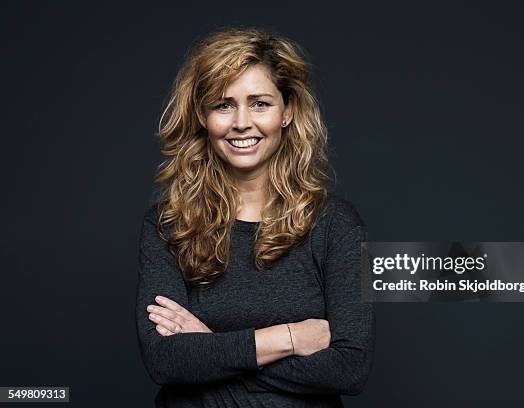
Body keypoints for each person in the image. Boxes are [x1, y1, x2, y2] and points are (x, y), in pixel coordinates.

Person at [135, 26, 375, 407]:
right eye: (223, 104)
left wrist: (211, 348)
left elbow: (349, 367)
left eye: (260, 103)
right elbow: (164, 360)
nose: (241, 122)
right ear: (202, 115)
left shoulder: (335, 224)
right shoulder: (169, 224)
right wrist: (289, 338)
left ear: (287, 111)